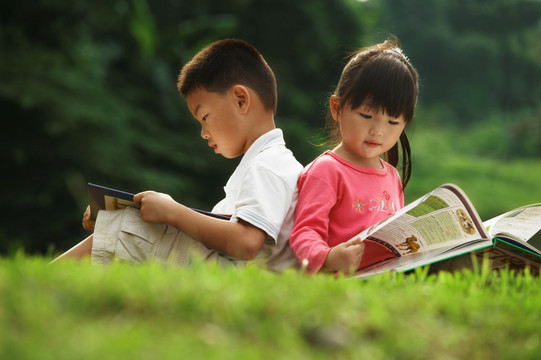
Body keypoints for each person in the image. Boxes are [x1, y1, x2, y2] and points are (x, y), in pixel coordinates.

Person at [53, 39, 303, 272]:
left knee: (123, 228)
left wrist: (173, 212)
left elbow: (246, 243)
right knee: (125, 223)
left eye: (204, 117)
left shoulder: (268, 164)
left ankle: (36, 285)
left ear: (240, 100)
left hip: (236, 278)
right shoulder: (267, 162)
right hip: (229, 271)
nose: (204, 133)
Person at [290, 37, 419, 274]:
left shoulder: (391, 176)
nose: (378, 131)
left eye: (392, 121)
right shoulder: (327, 170)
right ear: (337, 108)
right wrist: (328, 257)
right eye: (366, 116)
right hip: (340, 285)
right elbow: (305, 232)